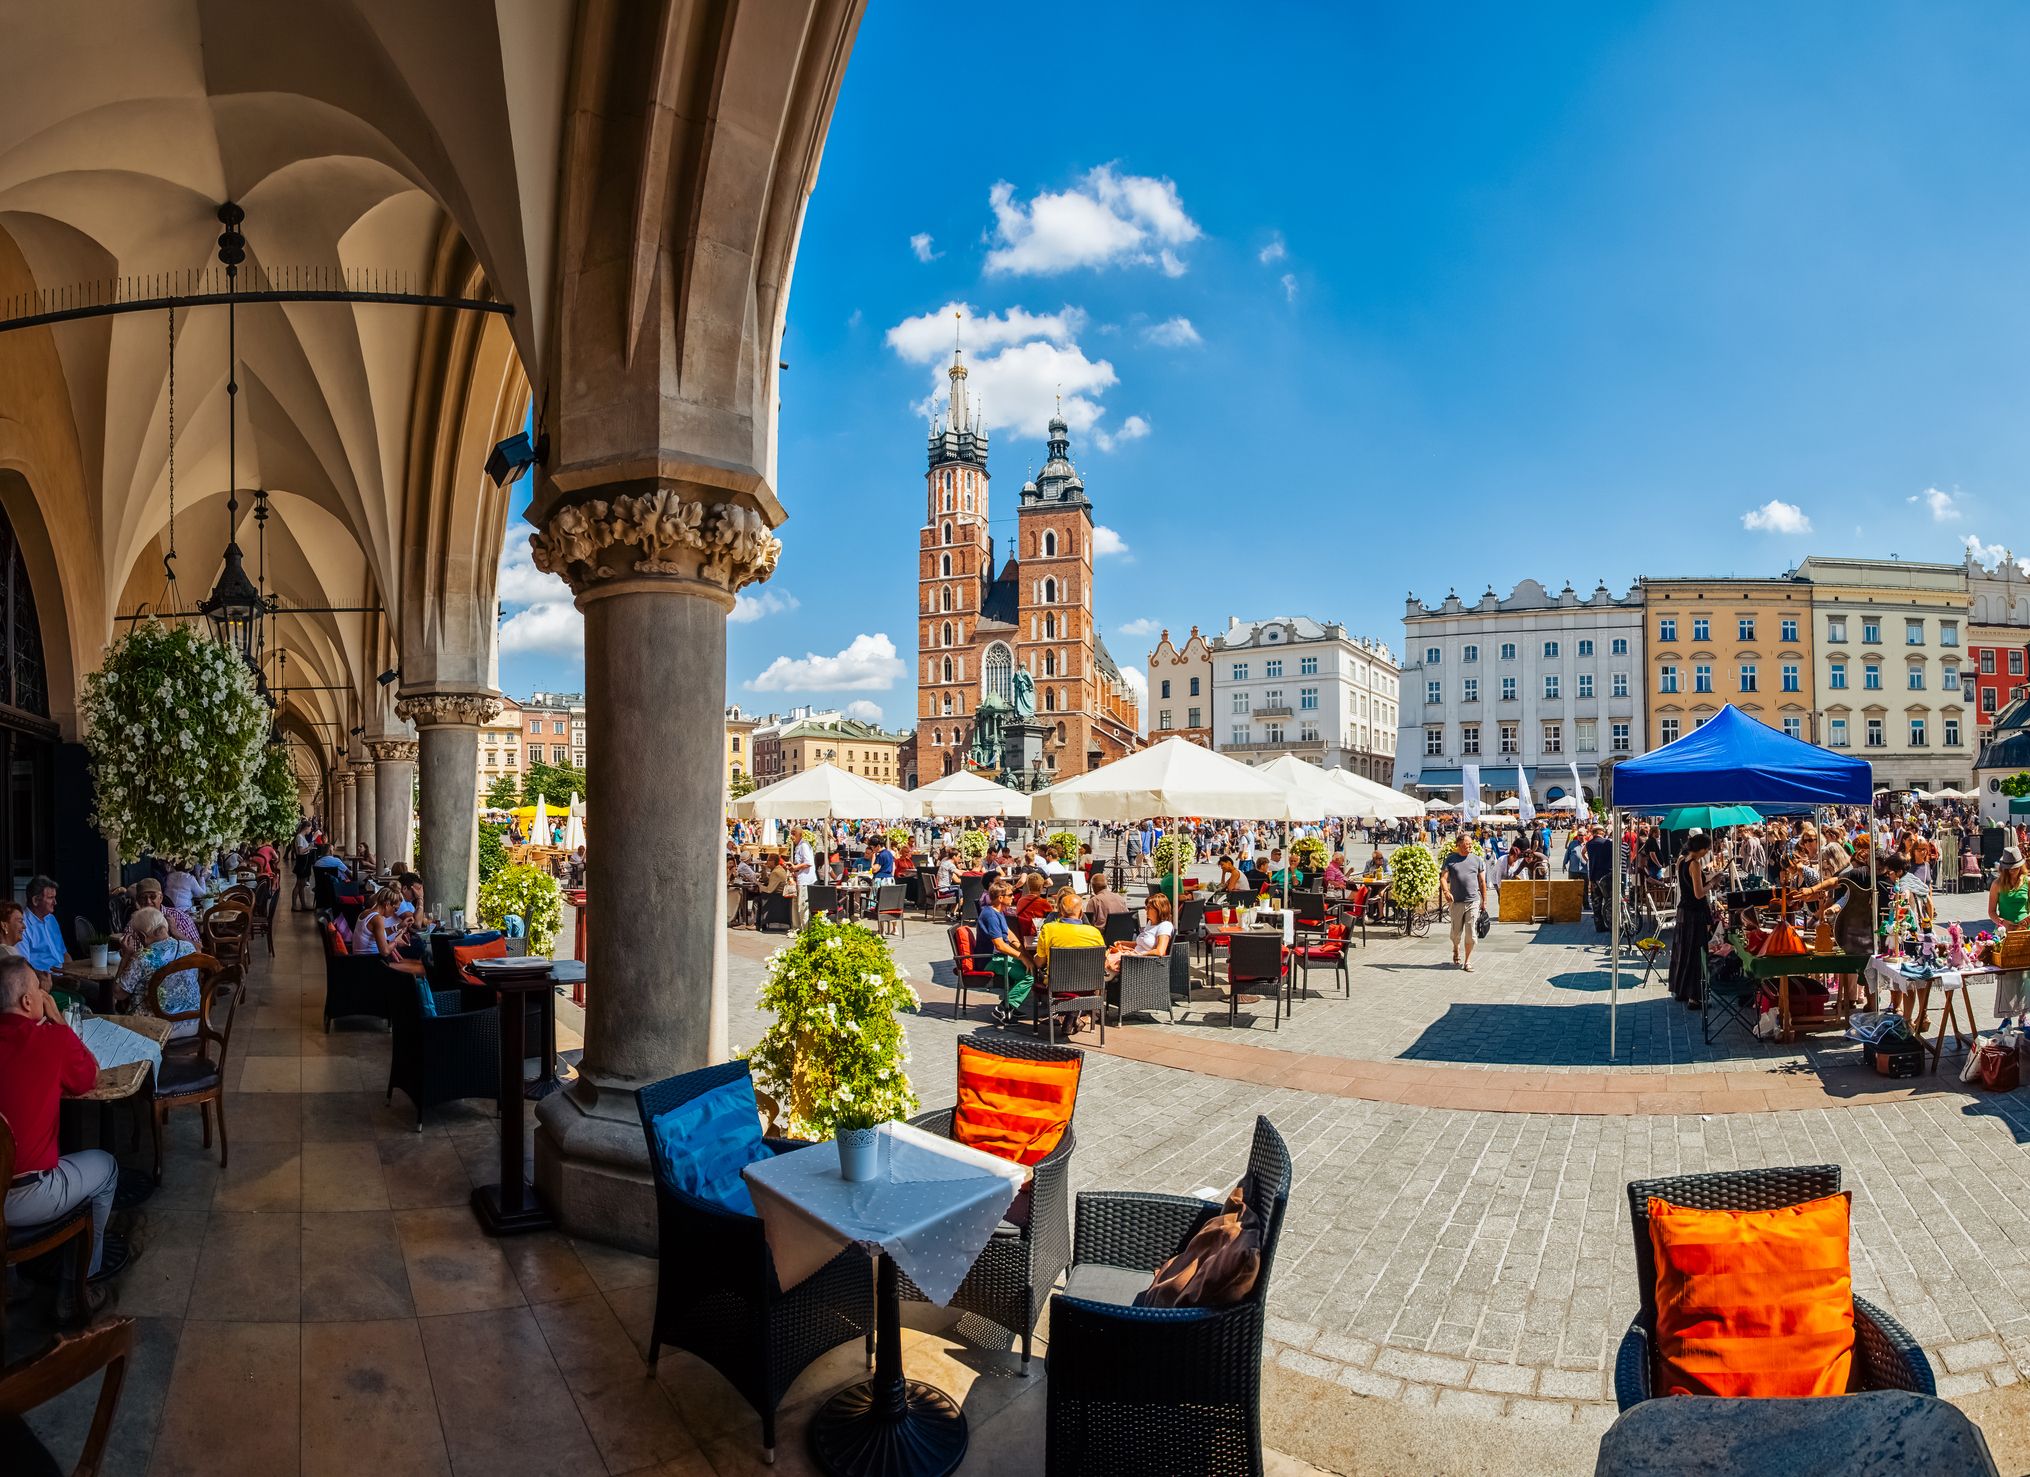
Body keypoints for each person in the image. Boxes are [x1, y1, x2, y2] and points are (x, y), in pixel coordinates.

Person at [0, 956, 126, 1291]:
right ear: (28, 1001)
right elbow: (89, 1076)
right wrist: (56, 1019)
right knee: (106, 1167)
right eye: (40, 991)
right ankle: (80, 1282)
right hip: (26, 1198)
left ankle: (10, 1278)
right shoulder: (50, 1041)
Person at [1033, 888, 1106, 1032]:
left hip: (1058, 986)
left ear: (1060, 910)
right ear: (1080, 913)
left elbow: (1040, 962)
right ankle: (1074, 1016)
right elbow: (1101, 961)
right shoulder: (1094, 933)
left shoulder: (1049, 929)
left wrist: (1034, 959)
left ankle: (1068, 1015)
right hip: (1089, 986)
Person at [1667, 832, 1716, 1008]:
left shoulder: (1681, 860)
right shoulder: (1694, 864)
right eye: (1707, 849)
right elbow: (1698, 893)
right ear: (1701, 848)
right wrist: (1712, 883)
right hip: (1694, 913)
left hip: (1684, 911)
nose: (1707, 852)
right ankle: (1694, 997)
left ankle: (1681, 990)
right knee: (1696, 953)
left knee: (1684, 951)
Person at [977, 881, 1034, 1025]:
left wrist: (1023, 952)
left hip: (998, 956)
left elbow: (1009, 935)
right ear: (1000, 898)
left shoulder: (999, 912)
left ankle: (1011, 1006)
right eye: (1010, 895)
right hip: (990, 959)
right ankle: (1004, 1008)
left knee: (1029, 966)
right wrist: (1022, 957)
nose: (1013, 897)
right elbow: (1000, 945)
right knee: (1029, 975)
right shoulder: (990, 915)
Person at [1442, 833, 1489, 971]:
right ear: (1459, 844)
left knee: (1471, 932)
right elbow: (1443, 878)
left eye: (1470, 844)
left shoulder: (1477, 860)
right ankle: (1456, 948)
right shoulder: (1451, 860)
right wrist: (1446, 891)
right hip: (1456, 902)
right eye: (1467, 844)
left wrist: (1484, 900)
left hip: (1472, 901)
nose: (1470, 846)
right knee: (1455, 933)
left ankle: (1467, 961)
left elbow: (1482, 881)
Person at [1106, 891, 1174, 977]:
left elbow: (1160, 951)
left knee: (1107, 966)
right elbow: (1141, 943)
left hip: (1143, 964)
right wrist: (1123, 943)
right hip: (1133, 959)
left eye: (1149, 908)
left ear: (1158, 909)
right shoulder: (1150, 923)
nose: (1146, 910)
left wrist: (1140, 955)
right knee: (1104, 958)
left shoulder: (1165, 926)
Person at [19, 874, 65, 975]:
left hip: (65, 974)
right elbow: (25, 970)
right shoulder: (21, 924)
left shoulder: (51, 919)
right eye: (50, 898)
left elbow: (64, 954)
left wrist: (74, 973)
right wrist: (60, 981)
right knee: (96, 990)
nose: (55, 902)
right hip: (47, 981)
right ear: (35, 900)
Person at [353, 888, 402, 956]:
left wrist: (399, 926)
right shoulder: (377, 918)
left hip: (360, 959)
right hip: (369, 961)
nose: (394, 912)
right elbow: (385, 951)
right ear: (387, 905)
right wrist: (396, 941)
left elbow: (380, 933)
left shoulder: (365, 912)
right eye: (395, 908)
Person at [1990, 847, 2029, 935]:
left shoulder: (2028, 882)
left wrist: (2027, 920)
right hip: (2004, 930)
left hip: (2025, 929)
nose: (2012, 870)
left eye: (2015, 868)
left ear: (2020, 866)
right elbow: (1991, 912)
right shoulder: (1996, 884)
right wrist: (2004, 923)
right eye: (2009, 868)